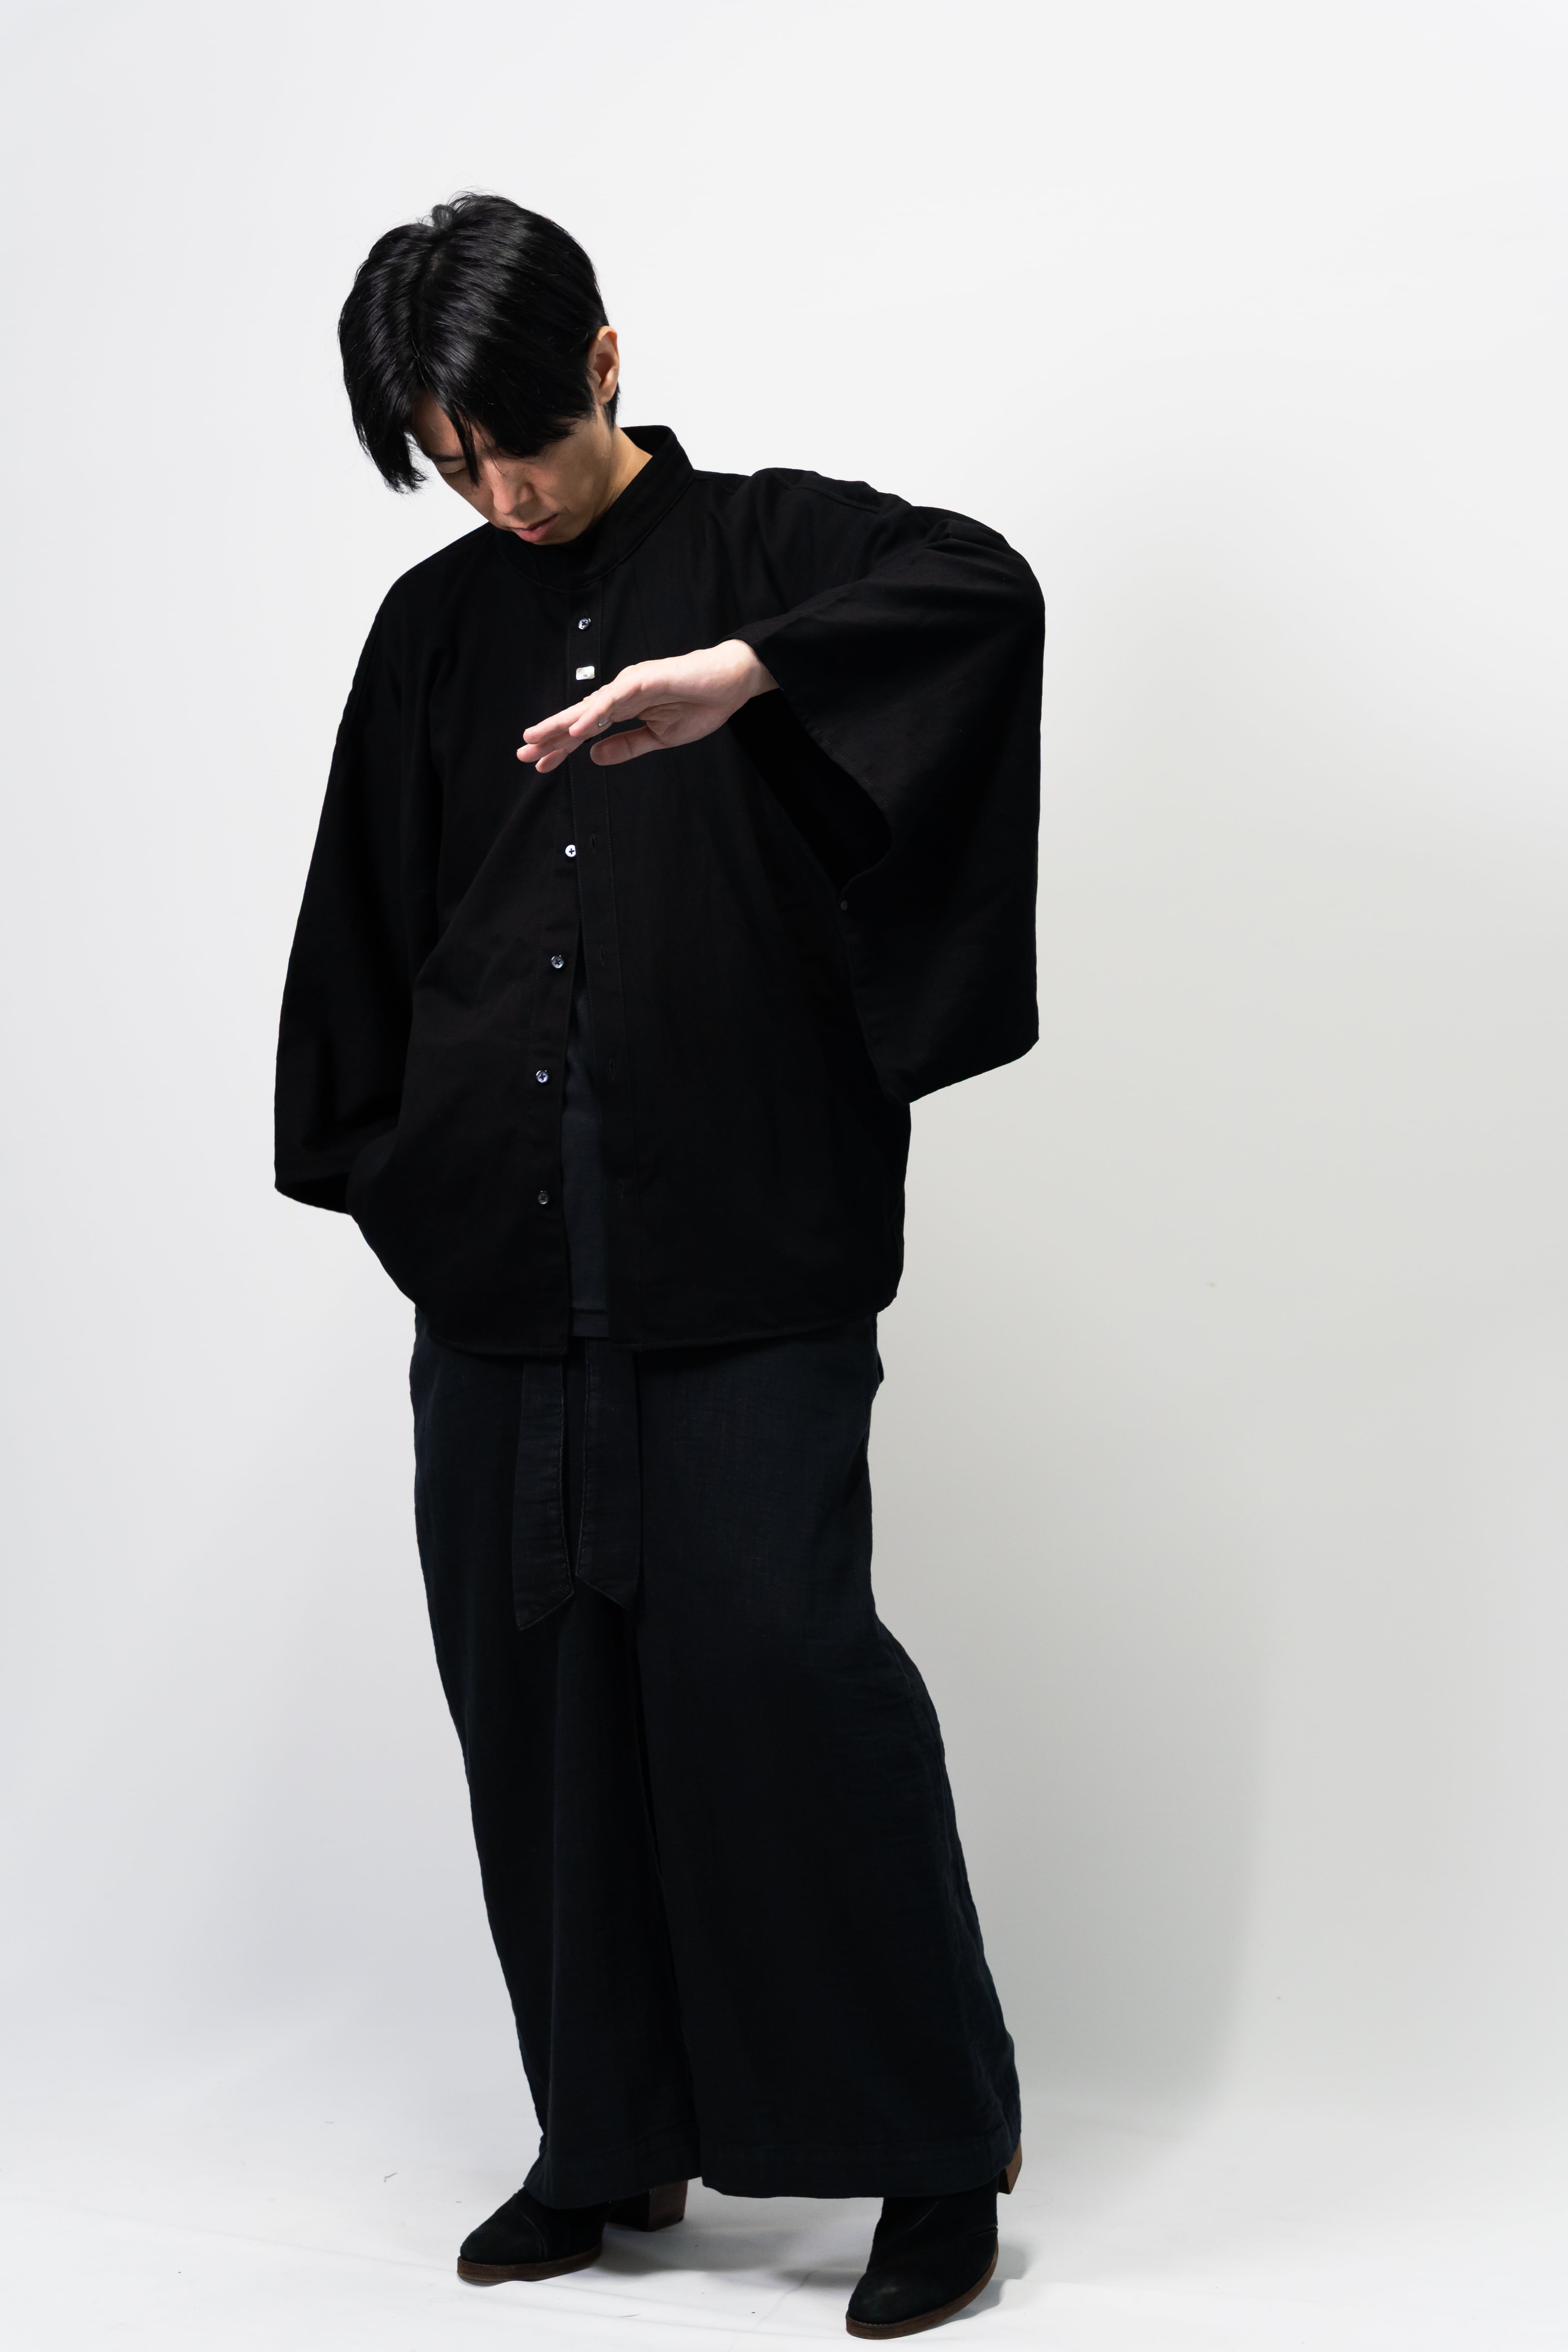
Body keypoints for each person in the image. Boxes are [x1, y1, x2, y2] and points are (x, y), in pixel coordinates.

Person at [275, 193, 1042, 2340]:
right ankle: (604, 2140)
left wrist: (752, 674)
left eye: (520, 442)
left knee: (784, 1675)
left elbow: (985, 592)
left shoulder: (783, 546)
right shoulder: (435, 630)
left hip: (747, 1248)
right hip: (506, 1264)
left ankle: (930, 2150)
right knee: (534, 1704)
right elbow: (368, 917)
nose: (503, 496)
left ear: (604, 362)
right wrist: (402, 1177)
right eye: (452, 463)